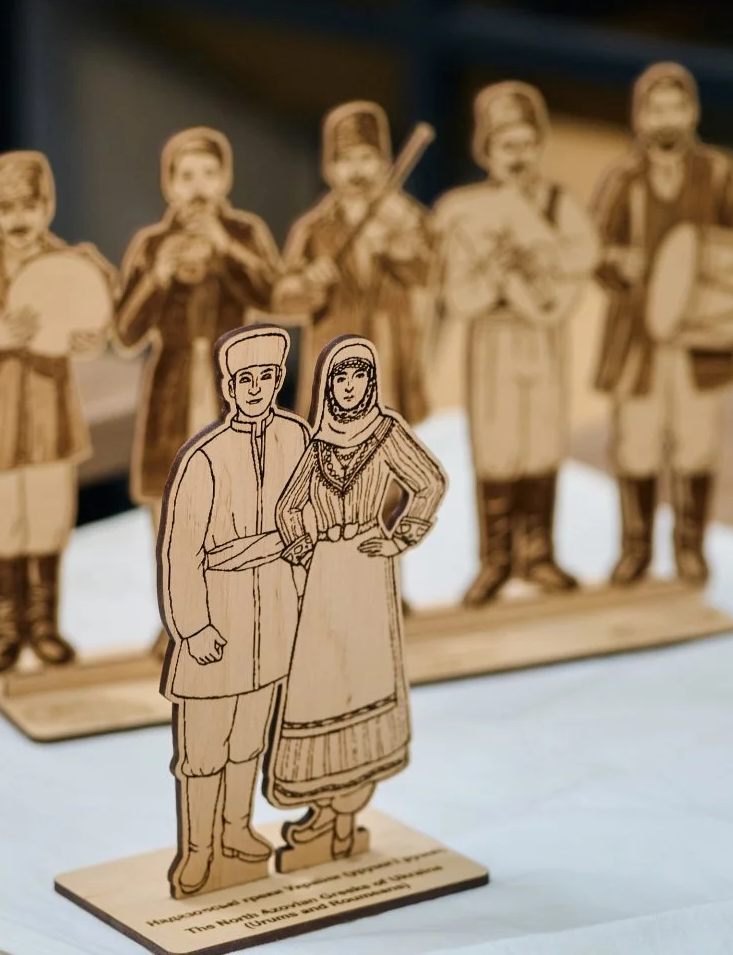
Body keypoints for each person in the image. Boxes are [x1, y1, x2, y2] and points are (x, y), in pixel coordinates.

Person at [0, 151, 116, 672]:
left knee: (47, 527)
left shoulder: (72, 266)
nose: (17, 218)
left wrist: (91, 329)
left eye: (28, 205)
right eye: (5, 207)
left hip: (48, 422)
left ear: (47, 206)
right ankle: (5, 633)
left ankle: (45, 627)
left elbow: (100, 328)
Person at [590, 62, 733, 587]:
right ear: (640, 116)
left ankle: (690, 547)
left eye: (677, 107)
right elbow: (592, 247)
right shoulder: (623, 179)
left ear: (693, 113)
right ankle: (637, 549)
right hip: (639, 341)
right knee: (637, 443)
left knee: (696, 443)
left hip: (699, 342)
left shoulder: (716, 173)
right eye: (656, 108)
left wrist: (723, 262)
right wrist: (616, 262)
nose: (667, 118)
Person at [266, 336, 447, 864]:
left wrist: (400, 535)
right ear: (329, 385)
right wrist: (301, 546)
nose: (349, 388)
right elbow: (289, 505)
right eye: (340, 379)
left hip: (367, 568)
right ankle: (323, 815)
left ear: (372, 383)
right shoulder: (319, 443)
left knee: (362, 679)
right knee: (319, 687)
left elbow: (430, 482)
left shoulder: (387, 433)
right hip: (323, 576)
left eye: (359, 378)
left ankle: (347, 819)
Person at [433, 81, 600, 607]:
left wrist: (539, 267)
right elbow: (457, 292)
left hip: (544, 338)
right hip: (495, 341)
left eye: (527, 144)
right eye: (507, 146)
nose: (518, 156)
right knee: (498, 446)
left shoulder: (558, 204)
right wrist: (495, 279)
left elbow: (582, 258)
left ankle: (539, 554)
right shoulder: (465, 210)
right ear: (487, 150)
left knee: (542, 442)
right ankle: (496, 561)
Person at [157, 326, 309, 897]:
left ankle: (237, 828)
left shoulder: (297, 437)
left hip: (274, 614)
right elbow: (181, 548)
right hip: (216, 618)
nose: (256, 388)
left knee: (250, 738)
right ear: (228, 385)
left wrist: (287, 562)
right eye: (245, 379)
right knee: (201, 750)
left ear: (277, 381)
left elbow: (306, 516)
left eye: (266, 378)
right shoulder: (204, 457)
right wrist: (193, 629)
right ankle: (196, 851)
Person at [116, 127, 279, 521]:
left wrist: (226, 248)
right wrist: (157, 276)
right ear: (169, 185)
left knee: (240, 489)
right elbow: (126, 332)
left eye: (208, 174)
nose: (199, 188)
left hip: (239, 378)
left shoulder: (244, 232)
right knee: (172, 491)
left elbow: (273, 297)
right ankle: (171, 580)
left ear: (226, 180)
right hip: (173, 379)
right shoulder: (152, 245)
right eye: (186, 177)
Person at [276, 101, 435, 422]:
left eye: (366, 158)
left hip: (390, 358)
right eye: (345, 160)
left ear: (384, 164)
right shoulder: (314, 228)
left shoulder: (408, 218)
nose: (357, 170)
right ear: (330, 169)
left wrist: (395, 249)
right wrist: (308, 283)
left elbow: (433, 276)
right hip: (334, 355)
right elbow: (281, 300)